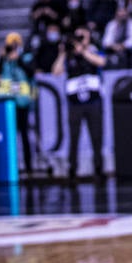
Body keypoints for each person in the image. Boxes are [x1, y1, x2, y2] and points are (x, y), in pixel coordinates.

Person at [53, 26, 106, 183]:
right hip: (75, 103)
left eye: (83, 37)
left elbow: (101, 62)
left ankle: (98, 168)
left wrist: (83, 50)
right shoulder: (69, 56)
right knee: (74, 137)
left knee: (96, 136)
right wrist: (63, 53)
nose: (79, 41)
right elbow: (56, 71)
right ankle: (72, 169)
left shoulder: (93, 51)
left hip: (93, 101)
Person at [0, 31, 39, 176]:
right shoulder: (4, 60)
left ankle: (29, 168)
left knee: (25, 136)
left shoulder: (26, 57)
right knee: (8, 136)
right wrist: (2, 58)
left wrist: (19, 59)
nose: (13, 47)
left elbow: (31, 73)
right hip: (7, 103)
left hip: (22, 102)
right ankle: (9, 166)